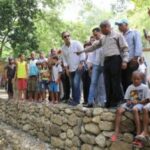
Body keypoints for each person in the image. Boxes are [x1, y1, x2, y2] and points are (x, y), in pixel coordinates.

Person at [76, 20, 129, 108]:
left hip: (115, 59)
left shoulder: (117, 35)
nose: (101, 31)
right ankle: (109, 101)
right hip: (106, 61)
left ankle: (119, 100)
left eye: (102, 29)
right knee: (107, 82)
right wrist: (82, 51)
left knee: (115, 81)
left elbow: (125, 48)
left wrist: (125, 61)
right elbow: (93, 47)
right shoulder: (103, 38)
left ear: (107, 27)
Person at [111, 71, 150, 145]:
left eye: (138, 79)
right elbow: (127, 98)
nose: (136, 81)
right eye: (134, 79)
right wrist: (128, 101)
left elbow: (147, 100)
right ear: (132, 79)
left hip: (140, 104)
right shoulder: (130, 87)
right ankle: (116, 131)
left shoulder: (145, 87)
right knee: (119, 110)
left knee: (135, 109)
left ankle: (138, 132)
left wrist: (138, 102)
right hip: (131, 103)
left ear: (141, 79)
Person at [115, 19, 143, 92]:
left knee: (131, 80)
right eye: (118, 25)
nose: (119, 27)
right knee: (123, 81)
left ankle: (134, 99)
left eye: (121, 25)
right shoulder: (119, 35)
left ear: (126, 25)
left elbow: (138, 45)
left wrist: (135, 58)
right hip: (121, 61)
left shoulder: (134, 33)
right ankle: (126, 99)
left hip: (131, 61)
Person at [61, 31, 85, 106]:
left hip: (79, 66)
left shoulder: (76, 43)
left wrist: (81, 63)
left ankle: (76, 100)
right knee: (73, 84)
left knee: (76, 83)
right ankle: (74, 99)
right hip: (70, 69)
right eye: (65, 36)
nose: (67, 37)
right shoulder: (63, 48)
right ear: (63, 38)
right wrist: (66, 69)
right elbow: (64, 60)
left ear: (70, 36)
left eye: (68, 35)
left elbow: (82, 53)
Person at [85, 27, 106, 107]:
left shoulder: (106, 40)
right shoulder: (95, 43)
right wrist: (89, 66)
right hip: (96, 65)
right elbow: (91, 55)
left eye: (96, 35)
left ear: (100, 32)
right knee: (93, 83)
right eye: (93, 35)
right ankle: (90, 102)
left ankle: (103, 101)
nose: (95, 37)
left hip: (104, 65)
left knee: (103, 84)